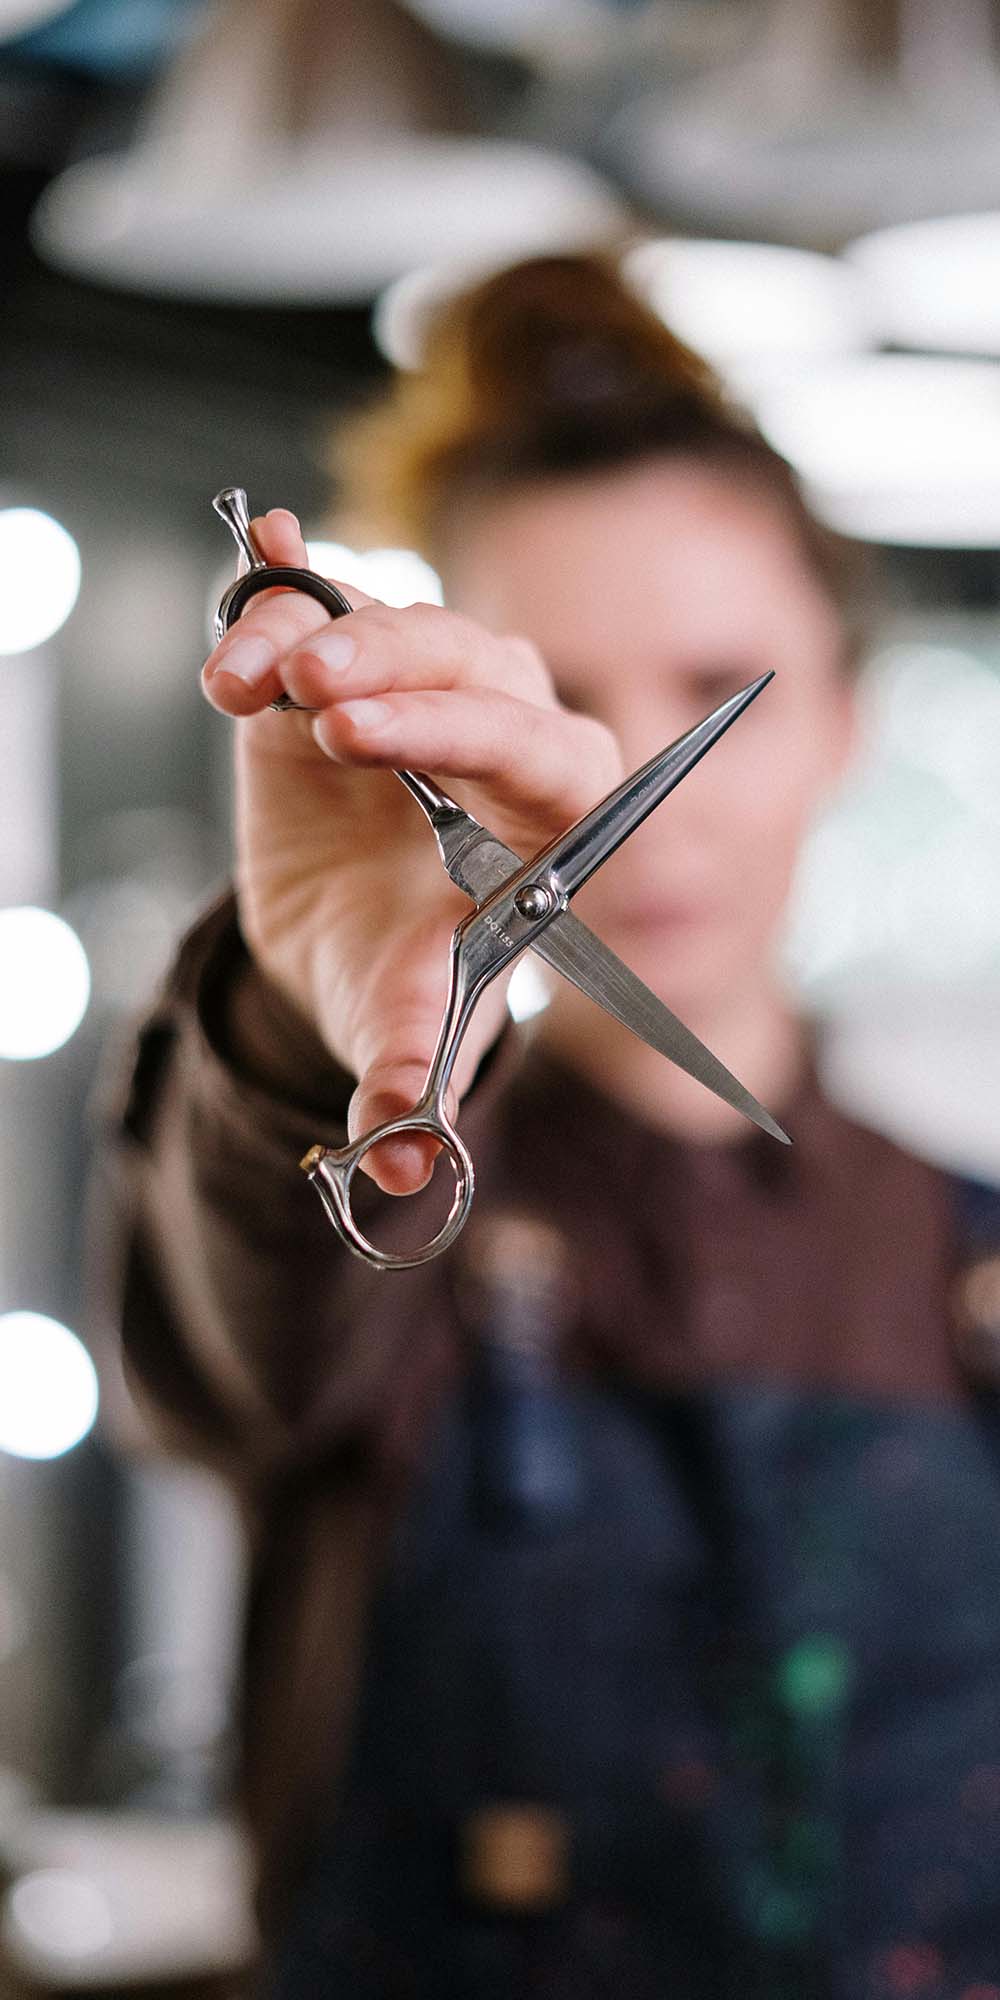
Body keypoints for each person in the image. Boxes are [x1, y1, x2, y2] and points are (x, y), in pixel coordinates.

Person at [91, 254, 1000, 1999]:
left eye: (719, 682)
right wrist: (316, 1019)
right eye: (561, 694)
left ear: (849, 727)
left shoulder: (970, 1265)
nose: (624, 784)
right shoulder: (368, 1238)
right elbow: (233, 1349)